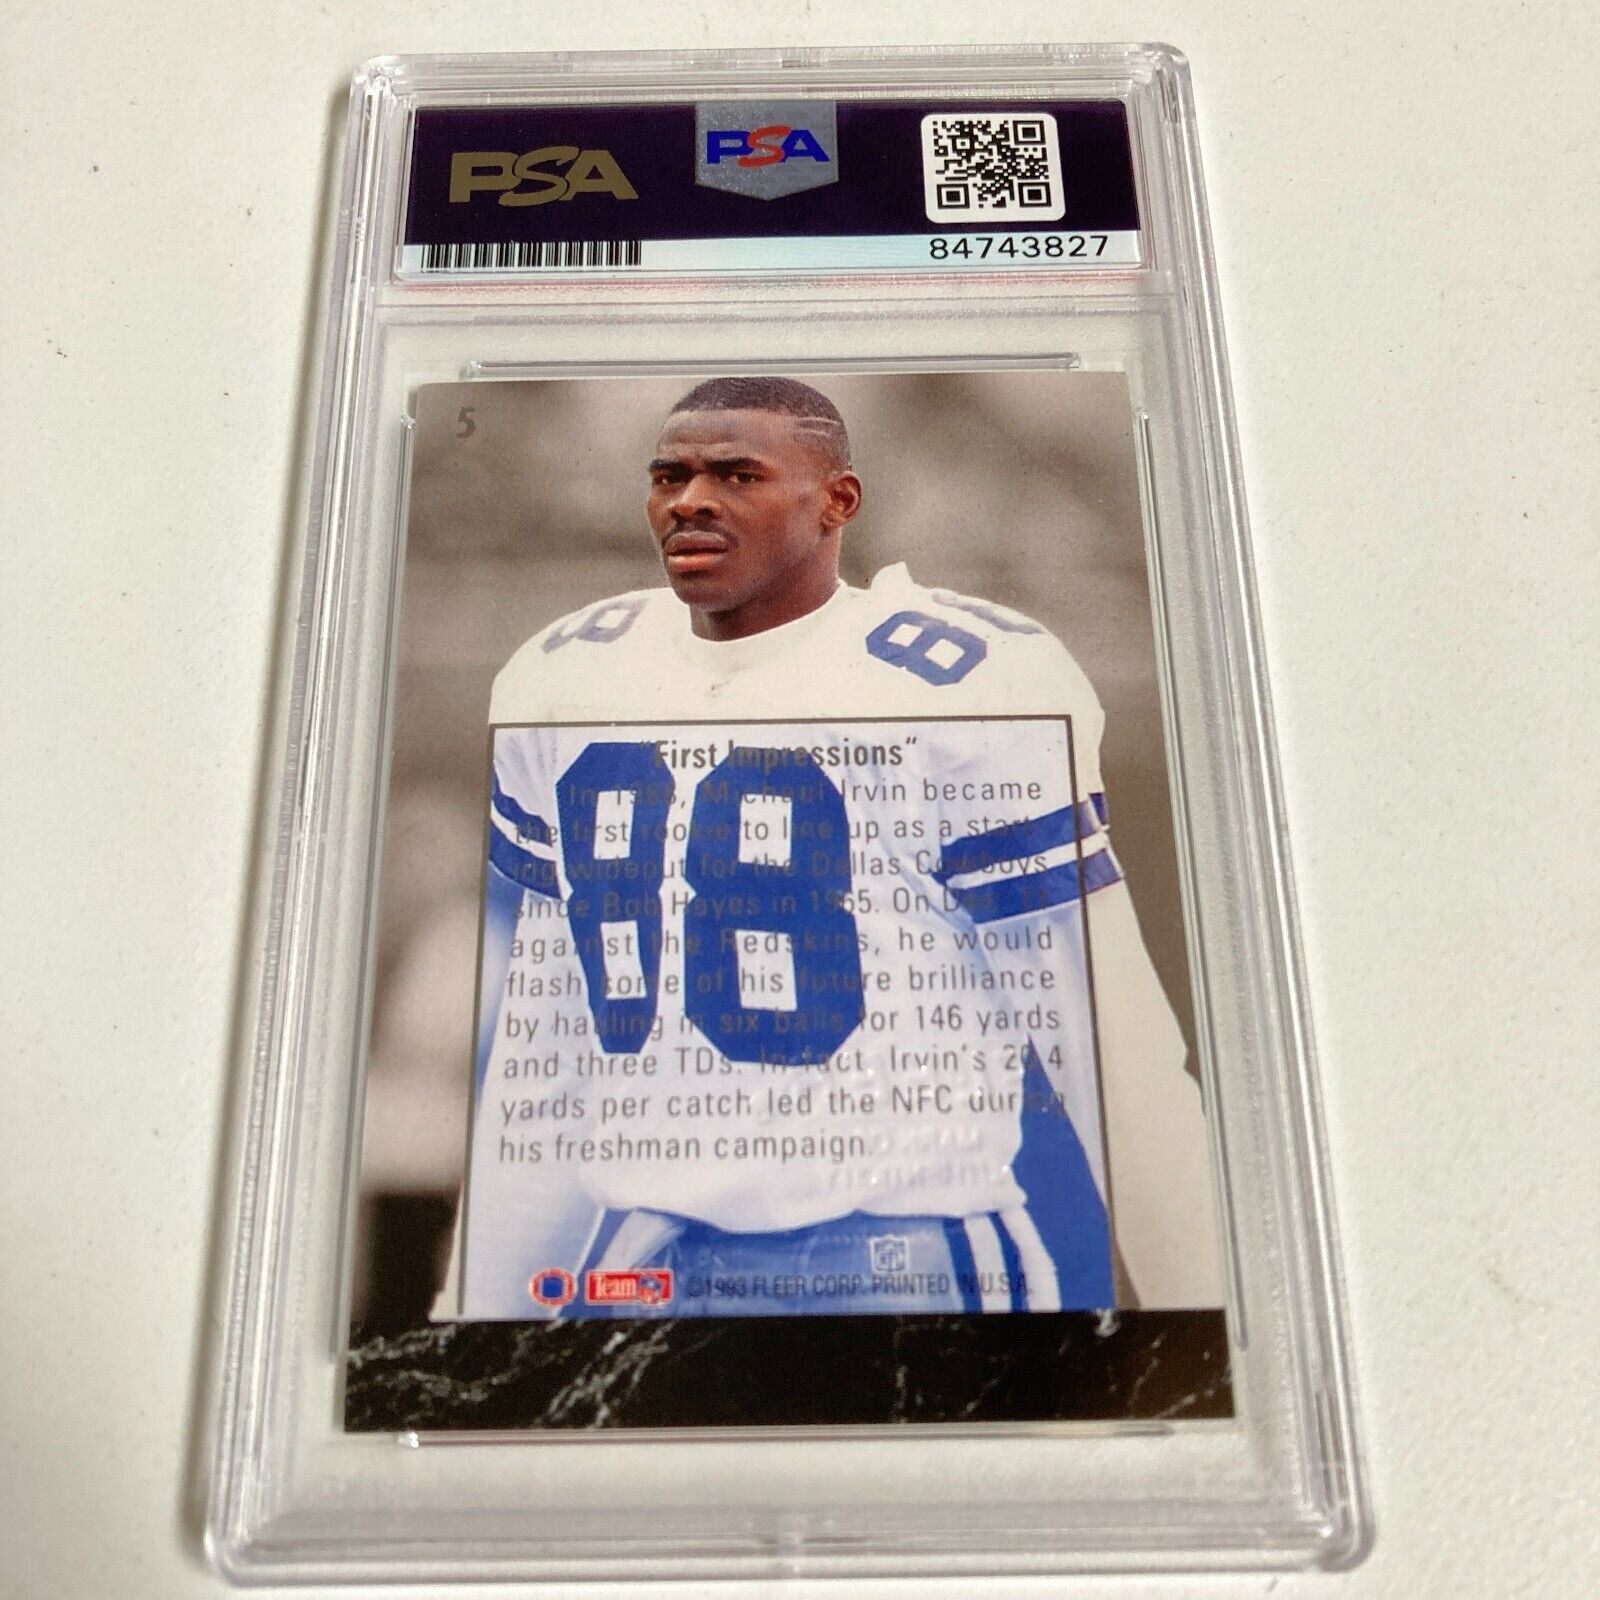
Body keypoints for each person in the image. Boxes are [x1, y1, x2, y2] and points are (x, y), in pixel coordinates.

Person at [438, 375, 1222, 1320]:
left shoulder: (969, 680)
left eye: (738, 475)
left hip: (907, 1260)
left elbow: (1110, 1045)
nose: (691, 501)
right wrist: (476, 1328)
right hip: (652, 1262)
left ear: (838, 501)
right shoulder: (565, 676)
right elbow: (546, 1068)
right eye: (670, 476)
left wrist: (1208, 1325)